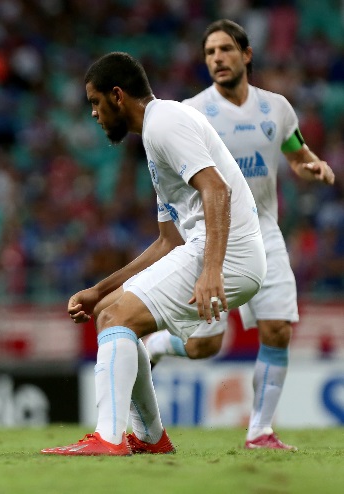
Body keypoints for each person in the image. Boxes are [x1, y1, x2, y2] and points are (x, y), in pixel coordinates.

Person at [41, 51, 266, 456]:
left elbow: (218, 190)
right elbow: (168, 241)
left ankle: (107, 440)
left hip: (228, 253)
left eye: (95, 102)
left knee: (117, 317)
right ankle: (149, 437)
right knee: (111, 312)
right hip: (214, 248)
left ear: (117, 95)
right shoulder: (154, 134)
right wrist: (98, 289)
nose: (94, 113)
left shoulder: (165, 124)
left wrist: (212, 269)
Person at [145, 19, 336, 451]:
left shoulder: (276, 109)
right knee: (205, 345)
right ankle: (156, 344)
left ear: (246, 54)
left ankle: (259, 432)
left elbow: (295, 151)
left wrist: (310, 164)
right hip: (213, 238)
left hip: (264, 233)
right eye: (210, 52)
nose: (217, 59)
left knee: (278, 330)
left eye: (226, 50)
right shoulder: (191, 112)